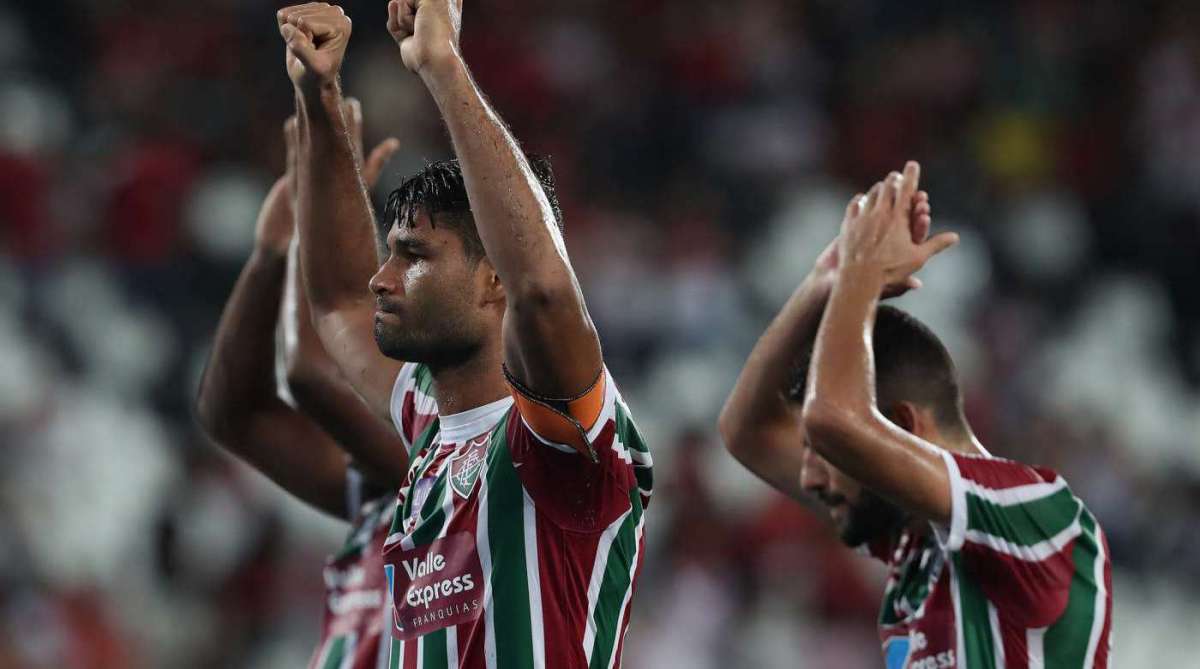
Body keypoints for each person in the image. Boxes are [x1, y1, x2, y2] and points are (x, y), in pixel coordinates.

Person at [276, 2, 653, 666]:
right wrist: (319, 94)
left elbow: (542, 287)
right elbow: (336, 301)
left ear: (493, 280)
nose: (381, 279)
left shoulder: (559, 442)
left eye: (414, 256)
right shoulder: (430, 421)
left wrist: (442, 67)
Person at [719, 162, 1112, 668]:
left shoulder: (1039, 518)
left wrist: (860, 278)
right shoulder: (915, 544)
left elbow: (832, 419)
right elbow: (746, 431)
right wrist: (825, 281)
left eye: (826, 456)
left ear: (902, 428)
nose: (808, 475)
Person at [195, 102, 413, 669]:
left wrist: (318, 226)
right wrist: (272, 255)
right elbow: (234, 416)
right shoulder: (388, 490)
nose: (393, 284)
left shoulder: (465, 462)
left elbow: (312, 373)